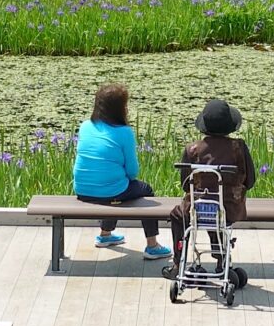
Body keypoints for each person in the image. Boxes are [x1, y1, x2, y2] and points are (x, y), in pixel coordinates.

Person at [72, 82, 169, 258]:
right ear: (120, 109)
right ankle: (152, 245)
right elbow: (132, 172)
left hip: (82, 190)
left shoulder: (85, 125)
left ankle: (105, 235)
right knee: (144, 190)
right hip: (110, 190)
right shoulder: (124, 132)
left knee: (114, 185)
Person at [170, 97, 258, 261]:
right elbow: (250, 181)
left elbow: (184, 185)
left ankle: (178, 262)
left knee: (178, 215)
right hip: (230, 208)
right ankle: (220, 255)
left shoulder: (192, 149)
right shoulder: (239, 148)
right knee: (218, 209)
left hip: (196, 209)